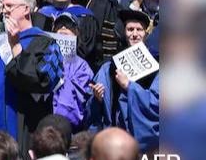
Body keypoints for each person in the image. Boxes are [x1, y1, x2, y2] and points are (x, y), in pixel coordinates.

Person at [0, 0, 65, 149]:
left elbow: (41, 83)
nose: (4, 11)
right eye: (3, 7)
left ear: (25, 9)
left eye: (9, 6)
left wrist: (16, 46)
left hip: (26, 129)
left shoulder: (46, 43)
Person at [88, 15, 159, 149]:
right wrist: (97, 98)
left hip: (141, 144)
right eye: (130, 29)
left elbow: (157, 104)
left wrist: (130, 87)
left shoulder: (157, 67)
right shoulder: (109, 66)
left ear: (146, 33)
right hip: (114, 137)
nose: (134, 34)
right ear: (124, 32)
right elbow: (92, 109)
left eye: (139, 30)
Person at [49, 12, 95, 130]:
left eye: (69, 25)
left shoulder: (82, 66)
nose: (63, 27)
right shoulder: (44, 57)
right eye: (59, 25)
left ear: (76, 33)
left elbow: (82, 98)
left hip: (70, 127)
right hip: (43, 121)